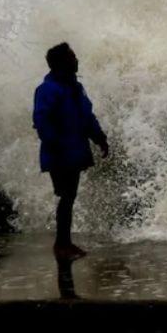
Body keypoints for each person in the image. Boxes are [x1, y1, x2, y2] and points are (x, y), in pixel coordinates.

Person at [32, 42, 109, 259]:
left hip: (74, 150)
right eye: (72, 57)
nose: (77, 60)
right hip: (59, 152)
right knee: (66, 196)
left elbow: (87, 117)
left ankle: (64, 243)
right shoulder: (48, 89)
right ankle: (62, 245)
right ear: (61, 62)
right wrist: (55, 146)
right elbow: (41, 119)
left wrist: (100, 138)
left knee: (69, 196)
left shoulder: (75, 88)